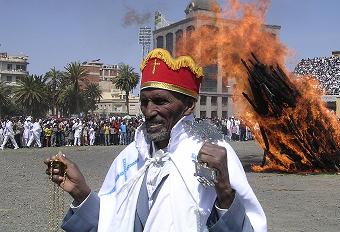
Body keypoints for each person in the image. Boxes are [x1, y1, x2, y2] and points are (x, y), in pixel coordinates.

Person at [45, 48, 266, 232]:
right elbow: (110, 221)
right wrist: (81, 192)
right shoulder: (129, 157)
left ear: (188, 106)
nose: (149, 111)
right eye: (144, 102)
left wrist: (225, 192)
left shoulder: (214, 152)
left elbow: (250, 225)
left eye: (160, 101)